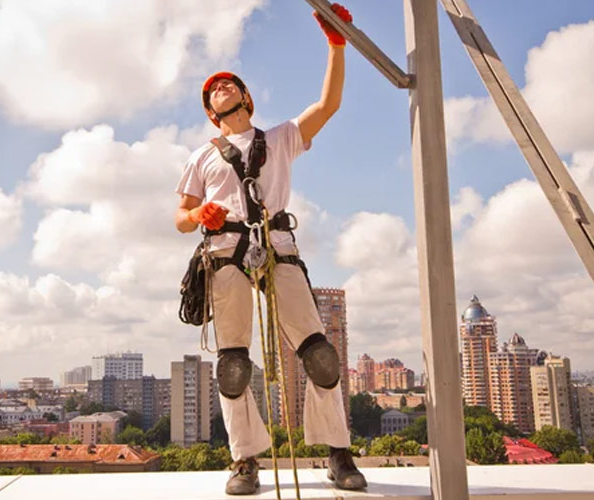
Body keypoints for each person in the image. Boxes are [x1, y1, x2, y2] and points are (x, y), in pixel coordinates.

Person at [174, 3, 366, 495]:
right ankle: (245, 461)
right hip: (225, 252)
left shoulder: (279, 138)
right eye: (213, 88)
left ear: (246, 98)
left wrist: (336, 44)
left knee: (320, 355)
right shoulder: (201, 157)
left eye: (228, 82)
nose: (221, 86)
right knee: (233, 365)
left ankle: (337, 452)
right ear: (209, 110)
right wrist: (200, 216)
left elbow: (329, 105)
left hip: (277, 244)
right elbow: (180, 217)